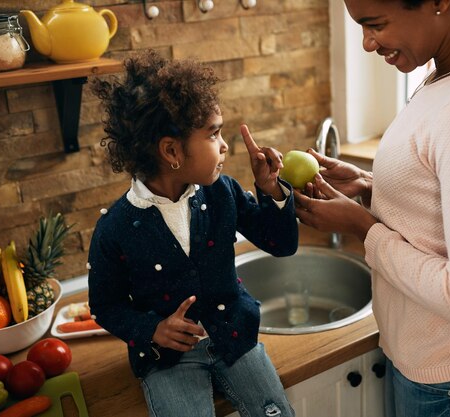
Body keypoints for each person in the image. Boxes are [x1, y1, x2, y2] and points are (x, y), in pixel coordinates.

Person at [294, 1, 450, 416]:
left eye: (375, 24)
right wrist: (370, 187)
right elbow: (444, 201)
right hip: (441, 369)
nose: (367, 43)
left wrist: (364, 227)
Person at [87, 51, 297, 417]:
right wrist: (152, 328)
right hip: (169, 359)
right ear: (171, 151)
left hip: (235, 338)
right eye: (213, 134)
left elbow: (282, 244)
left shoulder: (223, 192)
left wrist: (271, 190)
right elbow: (105, 306)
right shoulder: (115, 228)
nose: (225, 145)